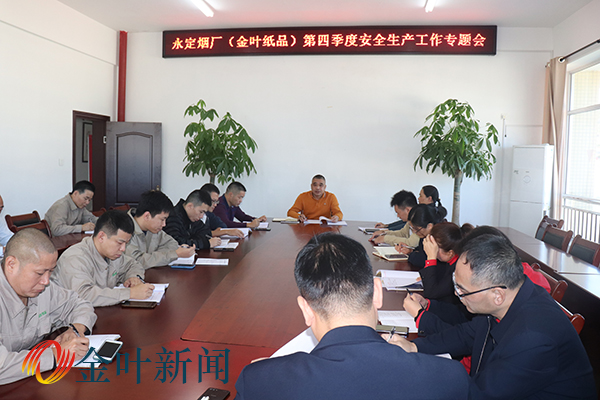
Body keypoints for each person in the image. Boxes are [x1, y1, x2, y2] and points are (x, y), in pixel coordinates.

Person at [234, 233, 470, 400]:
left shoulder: (259, 381)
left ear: (305, 309)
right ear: (377, 292)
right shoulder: (450, 377)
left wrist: (269, 373)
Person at [388, 233, 597, 399]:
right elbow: (465, 334)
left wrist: (419, 372)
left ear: (497, 295)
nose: (456, 294)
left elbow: (480, 393)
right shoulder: (512, 297)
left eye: (462, 290)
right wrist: (414, 347)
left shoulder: (533, 338)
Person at [0, 229, 96, 384]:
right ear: (11, 264)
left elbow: (79, 304)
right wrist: (56, 354)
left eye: (50, 271)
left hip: (32, 381)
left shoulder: (42, 288)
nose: (46, 281)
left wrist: (75, 329)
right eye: (39, 273)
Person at [52, 210, 154, 307]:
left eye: (126, 244)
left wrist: (133, 277)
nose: (123, 249)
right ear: (101, 237)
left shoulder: (112, 254)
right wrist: (130, 293)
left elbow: (133, 265)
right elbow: (83, 295)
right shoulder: (75, 258)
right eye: (120, 243)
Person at [125, 190, 196, 269]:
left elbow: (172, 243)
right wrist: (174, 254)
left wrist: (153, 258)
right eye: (162, 219)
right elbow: (137, 262)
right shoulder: (124, 230)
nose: (164, 224)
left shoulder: (153, 229)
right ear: (147, 216)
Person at [396, 204, 446, 268]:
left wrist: (411, 255)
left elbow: (421, 260)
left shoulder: (439, 238)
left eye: (417, 229)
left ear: (429, 226)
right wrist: (410, 250)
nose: (414, 232)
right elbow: (421, 251)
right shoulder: (425, 235)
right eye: (412, 228)